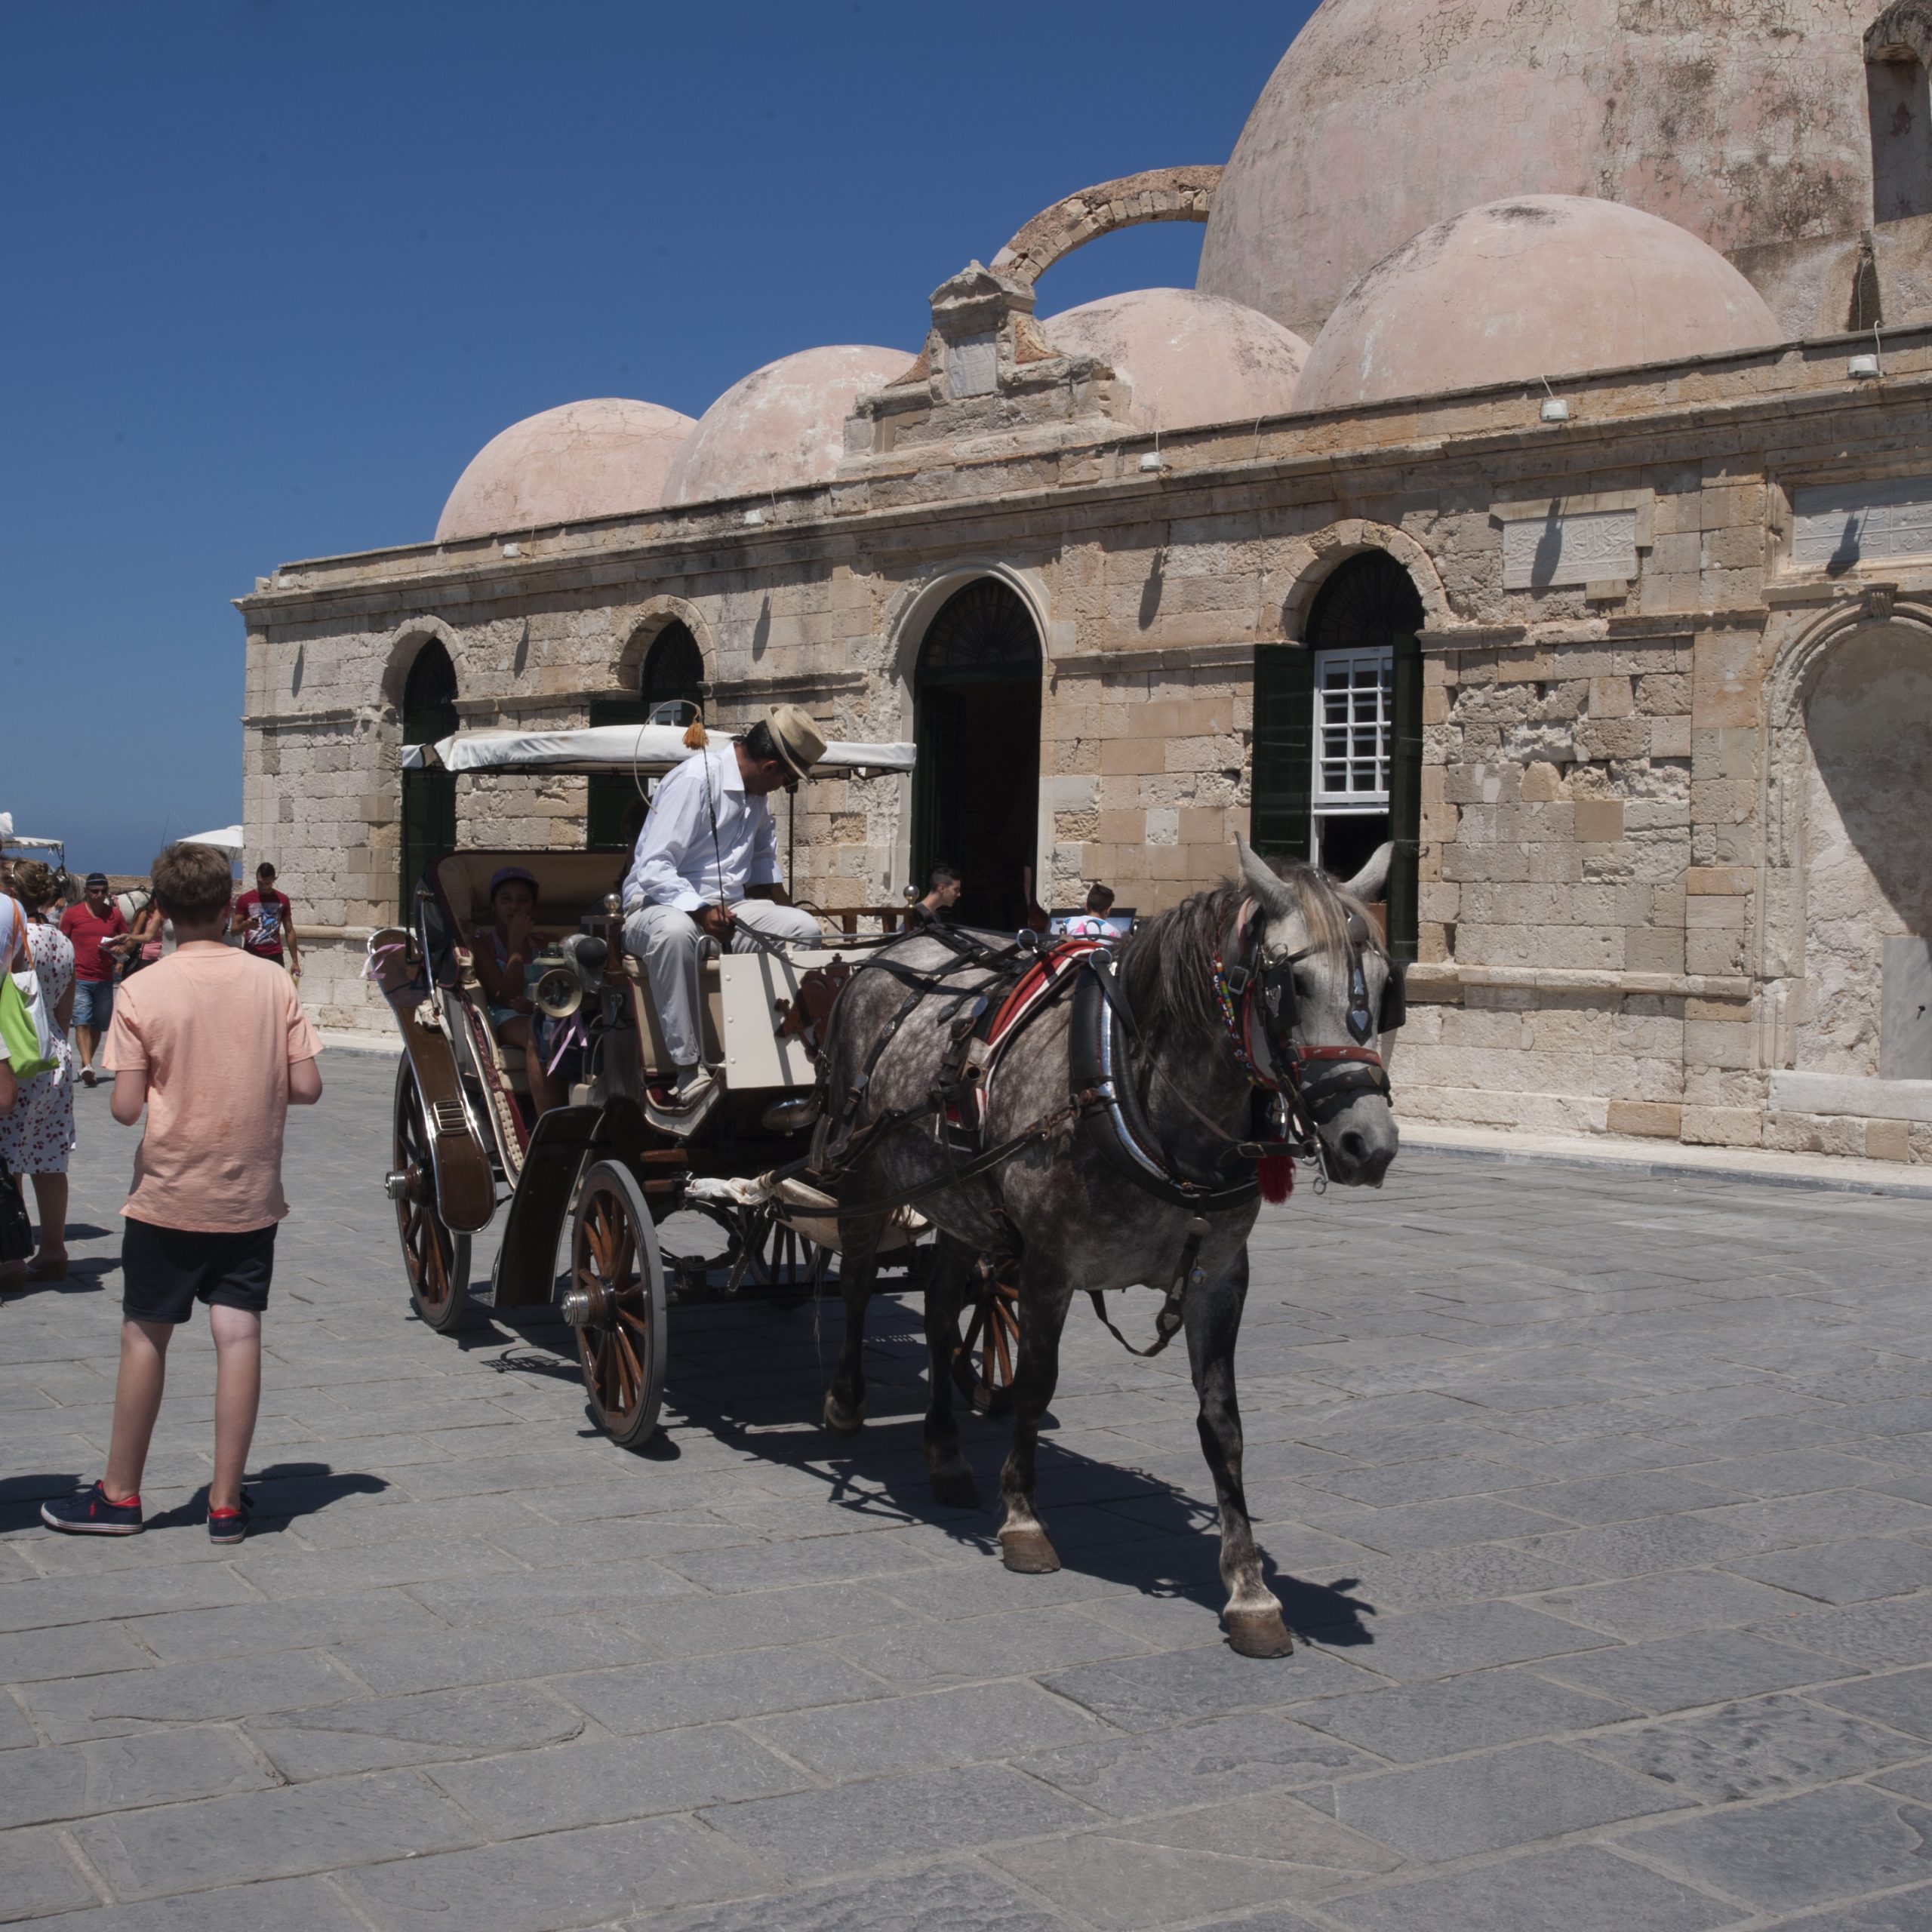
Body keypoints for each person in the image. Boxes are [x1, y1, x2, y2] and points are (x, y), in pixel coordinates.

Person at [40, 841, 322, 1543]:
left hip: (170, 1192)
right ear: (229, 909)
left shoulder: (143, 990)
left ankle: (120, 1494)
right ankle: (227, 1503)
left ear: (159, 910)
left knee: (146, 1334)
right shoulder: (273, 984)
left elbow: (126, 1108)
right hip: (250, 1193)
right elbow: (308, 1087)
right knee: (240, 1333)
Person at [621, 706, 825, 1131]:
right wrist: (697, 908)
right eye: (786, 780)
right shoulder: (695, 779)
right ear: (770, 766)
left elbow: (765, 864)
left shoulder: (759, 796)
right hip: (657, 906)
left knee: (803, 930)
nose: (783, 787)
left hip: (725, 908)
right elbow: (654, 866)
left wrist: (785, 910)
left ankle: (776, 1050)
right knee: (676, 933)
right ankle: (687, 1070)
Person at [0, 863, 77, 1289]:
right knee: (50, 1158)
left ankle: (9, 1256)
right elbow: (66, 1005)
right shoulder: (63, 941)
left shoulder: (12, 934)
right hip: (54, 1052)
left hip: (17, 1052)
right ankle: (53, 1249)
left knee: (7, 1157)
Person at [471, 866, 565, 1119]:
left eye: (522, 900)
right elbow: (507, 996)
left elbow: (560, 986)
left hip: (546, 1012)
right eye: (506, 900)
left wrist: (537, 1006)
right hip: (505, 1017)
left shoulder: (548, 942)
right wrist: (514, 943)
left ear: (533, 906)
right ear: (494, 905)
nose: (514, 907)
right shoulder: (482, 946)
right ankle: (552, 1121)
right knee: (540, 1033)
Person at [59, 873, 131, 1087]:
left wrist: (122, 949)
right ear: (86, 892)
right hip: (79, 976)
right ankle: (89, 1065)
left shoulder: (115, 915)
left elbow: (128, 940)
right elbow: (62, 941)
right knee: (82, 1020)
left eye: (103, 891)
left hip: (105, 978)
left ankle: (84, 1063)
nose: (99, 895)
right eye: (95, 891)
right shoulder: (73, 915)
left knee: (98, 1024)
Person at [234, 862, 301, 981]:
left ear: (274, 880)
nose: (264, 887)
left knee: (276, 994)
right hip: (251, 955)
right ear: (256, 877)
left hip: (274, 956)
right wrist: (246, 925)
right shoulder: (244, 900)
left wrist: (295, 961)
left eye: (268, 883)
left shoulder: (282, 900)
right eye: (260, 883)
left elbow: (289, 930)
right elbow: (234, 931)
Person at [907, 863, 962, 930]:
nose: (959, 894)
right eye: (956, 890)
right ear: (941, 888)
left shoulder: (936, 915)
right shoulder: (916, 915)